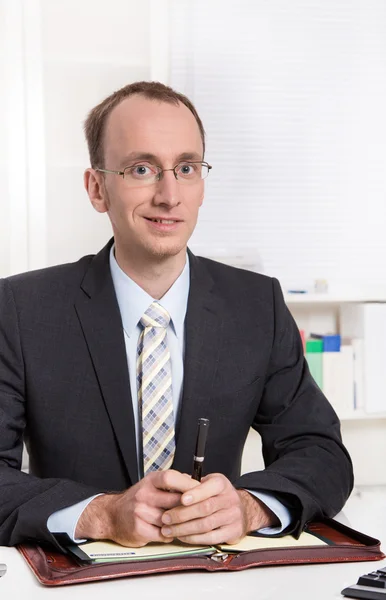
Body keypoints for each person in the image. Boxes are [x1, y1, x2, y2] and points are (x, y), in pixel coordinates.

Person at [0, 81, 353, 550]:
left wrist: (251, 505)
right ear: (97, 187)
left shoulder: (256, 305)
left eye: (186, 168)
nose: (169, 195)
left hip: (218, 578)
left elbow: (322, 452)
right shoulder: (22, 310)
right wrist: (101, 514)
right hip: (82, 583)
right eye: (141, 168)